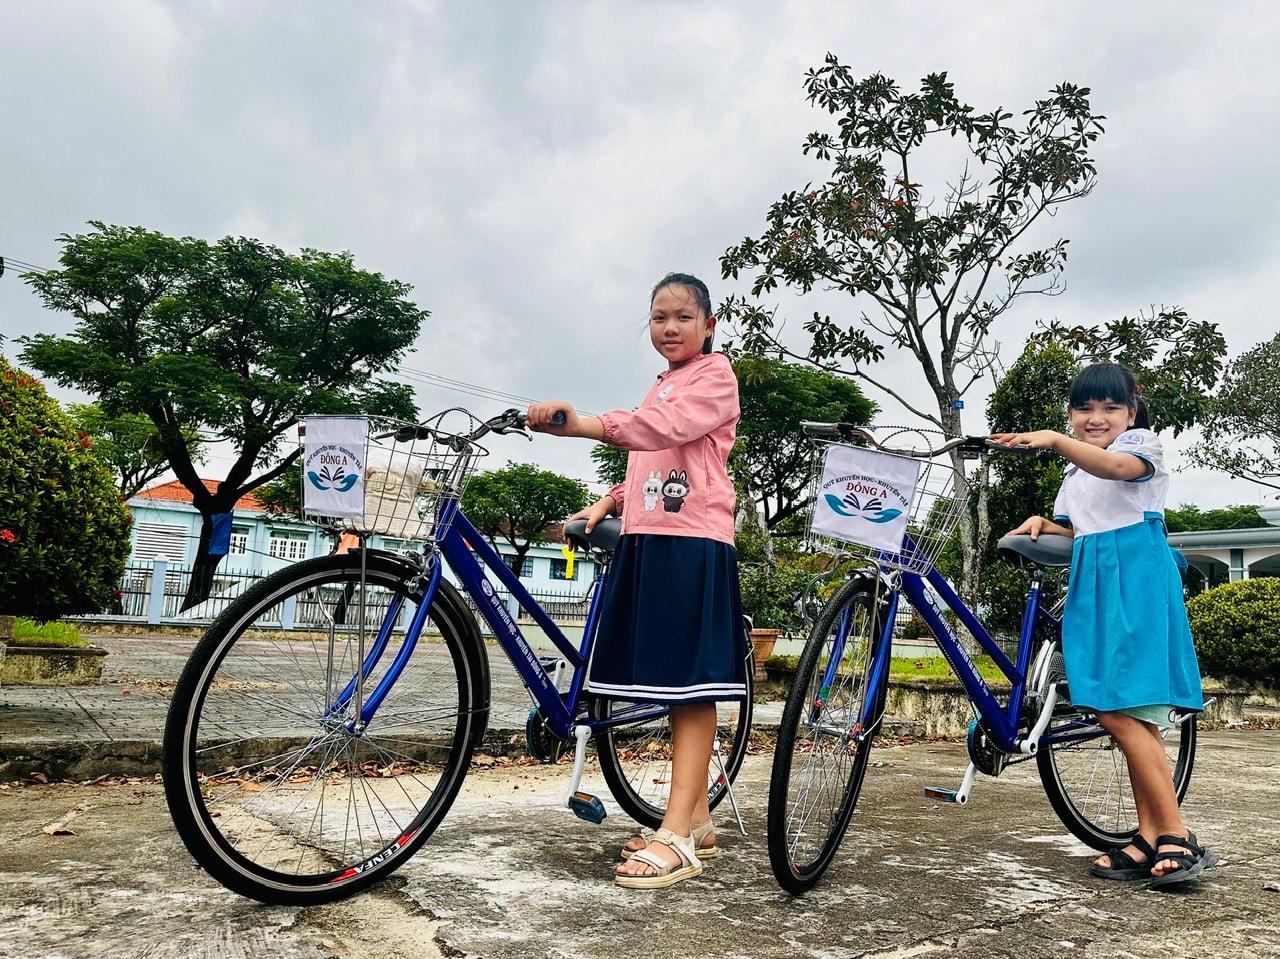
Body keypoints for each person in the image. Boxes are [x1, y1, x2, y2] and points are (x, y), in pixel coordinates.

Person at [526, 272, 747, 889]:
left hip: (692, 538)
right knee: (666, 680)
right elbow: (656, 456)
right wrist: (609, 500)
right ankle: (696, 818)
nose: (669, 328)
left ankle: (676, 835)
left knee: (688, 686)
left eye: (682, 317)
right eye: (658, 318)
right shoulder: (663, 384)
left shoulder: (715, 376)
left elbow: (668, 432)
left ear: (708, 324)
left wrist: (585, 424)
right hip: (648, 538)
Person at [990, 362, 1217, 889]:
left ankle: (1178, 836)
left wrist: (1049, 440)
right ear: (1072, 414)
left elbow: (1118, 470)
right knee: (1124, 710)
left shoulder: (1142, 446)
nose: (1097, 418)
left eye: (1110, 407)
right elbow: (1081, 527)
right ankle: (1148, 836)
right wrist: (1049, 524)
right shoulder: (1075, 474)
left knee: (1118, 710)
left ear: (1130, 412)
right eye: (1084, 409)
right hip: (1094, 581)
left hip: (1135, 578)